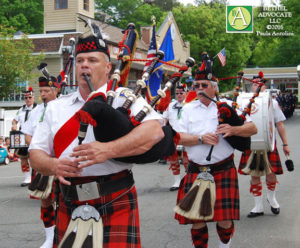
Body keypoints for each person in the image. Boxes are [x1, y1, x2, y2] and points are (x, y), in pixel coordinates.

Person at [29, 24, 164, 248]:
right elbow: (35, 155)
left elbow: (154, 131)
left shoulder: (123, 97)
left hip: (115, 197)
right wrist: (54, 166)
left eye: (92, 60)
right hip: (69, 200)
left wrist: (108, 150)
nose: (84, 65)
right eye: (80, 60)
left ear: (108, 67)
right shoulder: (56, 108)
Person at [174, 67, 257, 248]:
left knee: (225, 219)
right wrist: (200, 139)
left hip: (223, 169)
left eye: (204, 85)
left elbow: (252, 128)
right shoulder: (187, 109)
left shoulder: (228, 105)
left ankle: (224, 246)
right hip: (196, 170)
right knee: (196, 219)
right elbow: (177, 137)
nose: (200, 88)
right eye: (196, 85)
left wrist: (233, 129)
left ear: (214, 87)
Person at [239, 74, 290, 218]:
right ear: (251, 86)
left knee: (271, 173)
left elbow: (279, 124)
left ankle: (272, 198)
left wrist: (285, 144)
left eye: (260, 84)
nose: (257, 86)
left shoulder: (272, 102)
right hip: (251, 143)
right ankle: (258, 206)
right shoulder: (245, 102)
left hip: (268, 142)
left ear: (264, 86)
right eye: (254, 84)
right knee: (255, 175)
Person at [22, 76, 59, 248]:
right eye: (41, 92)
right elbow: (28, 134)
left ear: (55, 90)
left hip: (60, 161)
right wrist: (37, 148)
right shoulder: (36, 111)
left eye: (46, 91)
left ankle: (63, 233)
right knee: (45, 200)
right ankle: (50, 237)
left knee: (64, 199)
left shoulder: (63, 108)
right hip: (42, 161)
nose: (43, 95)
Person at [163, 85, 189, 191]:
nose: (179, 95)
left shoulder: (190, 105)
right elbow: (165, 117)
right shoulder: (171, 105)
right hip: (174, 136)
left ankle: (189, 179)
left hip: (187, 136)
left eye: (181, 93)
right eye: (177, 93)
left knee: (187, 160)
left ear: (186, 93)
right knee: (174, 160)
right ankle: (177, 181)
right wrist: (164, 126)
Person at [12, 87, 37, 186]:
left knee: (35, 157)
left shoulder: (38, 109)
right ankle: (27, 178)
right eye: (26, 98)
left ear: (34, 97)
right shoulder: (21, 110)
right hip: (22, 136)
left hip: (34, 136)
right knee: (23, 158)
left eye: (30, 97)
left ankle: (35, 178)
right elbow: (15, 120)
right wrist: (14, 124)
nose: (28, 100)